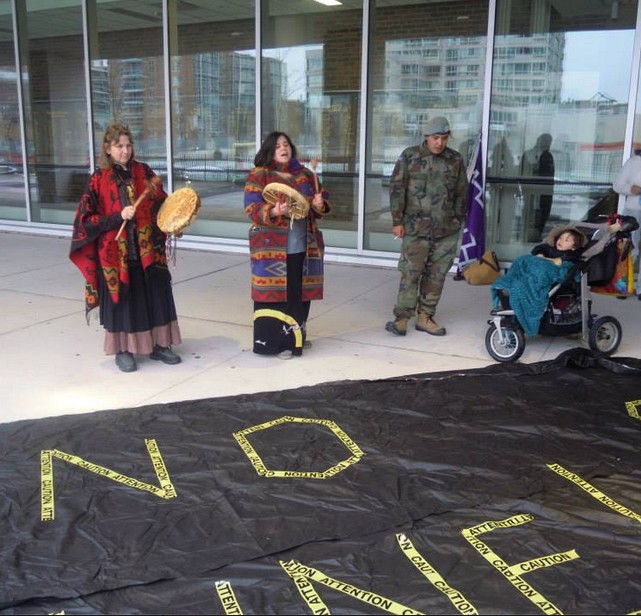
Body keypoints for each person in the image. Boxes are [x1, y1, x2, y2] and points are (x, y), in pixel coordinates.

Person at [70, 122, 182, 373]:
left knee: (156, 295)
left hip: (148, 248)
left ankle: (160, 344)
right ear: (108, 149)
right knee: (125, 301)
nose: (125, 150)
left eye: (128, 145)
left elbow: (161, 204)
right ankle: (123, 349)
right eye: (119, 146)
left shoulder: (143, 171)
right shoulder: (99, 179)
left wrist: (174, 219)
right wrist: (117, 216)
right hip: (116, 253)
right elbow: (85, 220)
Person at [244, 131, 330, 359]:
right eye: (278, 146)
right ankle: (274, 344)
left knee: (298, 293)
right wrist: (273, 211)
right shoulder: (259, 175)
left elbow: (317, 205)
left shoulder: (303, 174)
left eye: (286, 144)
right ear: (270, 150)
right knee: (275, 295)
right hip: (272, 250)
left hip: (303, 245)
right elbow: (251, 208)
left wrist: (319, 203)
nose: (284, 148)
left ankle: (296, 339)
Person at [385, 116, 468, 337]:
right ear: (426, 137)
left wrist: (459, 220)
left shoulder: (455, 160)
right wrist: (397, 221)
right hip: (414, 228)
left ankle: (425, 317)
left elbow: (462, 193)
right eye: (435, 138)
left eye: (443, 138)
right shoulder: (410, 156)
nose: (439, 143)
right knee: (410, 273)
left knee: (436, 275)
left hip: (446, 230)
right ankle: (402, 318)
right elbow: (396, 189)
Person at [612, 150, 641, 297]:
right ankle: (623, 286)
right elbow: (617, 185)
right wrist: (631, 189)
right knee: (628, 247)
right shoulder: (634, 162)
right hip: (634, 210)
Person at [519, 133, 555, 242]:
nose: (548, 144)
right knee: (529, 213)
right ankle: (527, 236)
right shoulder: (528, 154)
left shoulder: (548, 156)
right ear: (539, 141)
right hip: (530, 190)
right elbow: (521, 172)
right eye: (545, 141)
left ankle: (537, 234)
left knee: (543, 213)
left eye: (549, 142)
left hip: (545, 191)